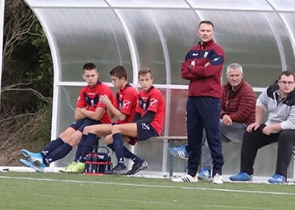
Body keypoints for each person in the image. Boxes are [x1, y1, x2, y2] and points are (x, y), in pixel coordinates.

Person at [19, 63, 112, 172]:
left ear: (97, 75)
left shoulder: (104, 89)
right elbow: (77, 115)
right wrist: (86, 112)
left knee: (72, 139)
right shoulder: (84, 91)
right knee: (64, 135)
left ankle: (44, 163)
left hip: (99, 122)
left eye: (92, 75)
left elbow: (97, 116)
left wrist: (83, 110)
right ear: (83, 76)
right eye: (87, 76)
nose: (90, 78)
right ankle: (40, 155)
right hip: (86, 120)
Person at [169, 63, 254, 178]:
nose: (234, 78)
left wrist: (229, 117)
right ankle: (206, 169)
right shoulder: (223, 89)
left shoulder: (247, 91)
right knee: (212, 134)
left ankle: (190, 149)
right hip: (225, 125)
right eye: (232, 75)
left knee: (212, 126)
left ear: (242, 75)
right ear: (227, 76)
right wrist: (224, 115)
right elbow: (218, 107)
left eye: (237, 75)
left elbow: (244, 112)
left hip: (245, 128)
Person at [228, 70, 295, 184]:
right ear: (278, 82)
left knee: (286, 135)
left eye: (289, 82)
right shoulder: (271, 90)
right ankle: (245, 173)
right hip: (275, 125)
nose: (286, 85)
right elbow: (260, 103)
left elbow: (292, 124)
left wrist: (272, 128)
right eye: (284, 82)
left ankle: (280, 175)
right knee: (250, 133)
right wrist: (257, 122)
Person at [172, 20, 225, 184]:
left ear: (213, 33)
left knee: (212, 135)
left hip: (210, 98)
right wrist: (199, 69)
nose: (205, 33)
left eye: (208, 30)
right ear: (197, 32)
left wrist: (193, 68)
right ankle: (191, 172)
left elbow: (210, 71)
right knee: (193, 136)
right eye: (202, 30)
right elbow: (183, 72)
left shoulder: (217, 51)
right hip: (193, 98)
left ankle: (217, 173)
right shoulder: (192, 51)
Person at [63, 65, 141, 174]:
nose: (113, 83)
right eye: (112, 80)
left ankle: (82, 162)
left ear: (123, 79)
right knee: (104, 137)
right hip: (119, 125)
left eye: (114, 80)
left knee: (90, 130)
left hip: (128, 126)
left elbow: (122, 117)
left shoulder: (130, 91)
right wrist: (107, 104)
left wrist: (108, 103)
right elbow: (111, 116)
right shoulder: (119, 92)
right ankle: (137, 161)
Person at [106, 68, 167, 176]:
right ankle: (138, 161)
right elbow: (137, 115)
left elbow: (149, 117)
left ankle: (121, 165)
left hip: (152, 127)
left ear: (152, 80)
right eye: (142, 80)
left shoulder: (155, 94)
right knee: (109, 139)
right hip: (142, 126)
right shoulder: (141, 94)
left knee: (116, 128)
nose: (144, 83)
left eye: (147, 80)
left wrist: (130, 126)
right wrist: (129, 126)